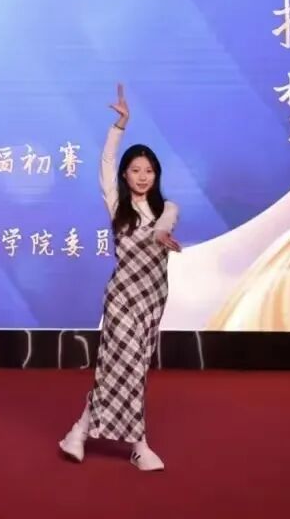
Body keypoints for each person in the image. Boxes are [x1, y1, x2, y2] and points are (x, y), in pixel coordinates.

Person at [59, 84, 182, 471]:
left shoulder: (168, 208)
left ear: (156, 175)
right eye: (135, 170)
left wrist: (161, 234)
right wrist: (120, 126)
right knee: (120, 364)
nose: (143, 177)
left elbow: (165, 224)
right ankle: (138, 445)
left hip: (152, 299)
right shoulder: (117, 206)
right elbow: (105, 162)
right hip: (122, 298)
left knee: (135, 369)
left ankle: (79, 432)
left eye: (149, 171)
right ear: (125, 176)